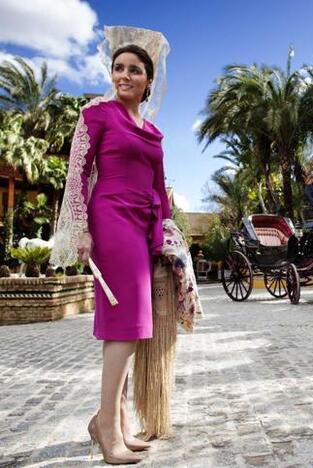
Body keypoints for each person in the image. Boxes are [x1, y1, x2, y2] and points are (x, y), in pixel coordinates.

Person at [51, 27, 170, 464]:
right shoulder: (97, 114)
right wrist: (81, 228)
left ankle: (115, 417)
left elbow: (159, 186)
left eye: (134, 70)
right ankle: (107, 424)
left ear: (148, 80)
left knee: (134, 325)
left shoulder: (154, 132)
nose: (123, 75)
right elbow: (78, 173)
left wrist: (167, 233)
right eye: (118, 68)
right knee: (127, 320)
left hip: (142, 226)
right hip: (111, 219)